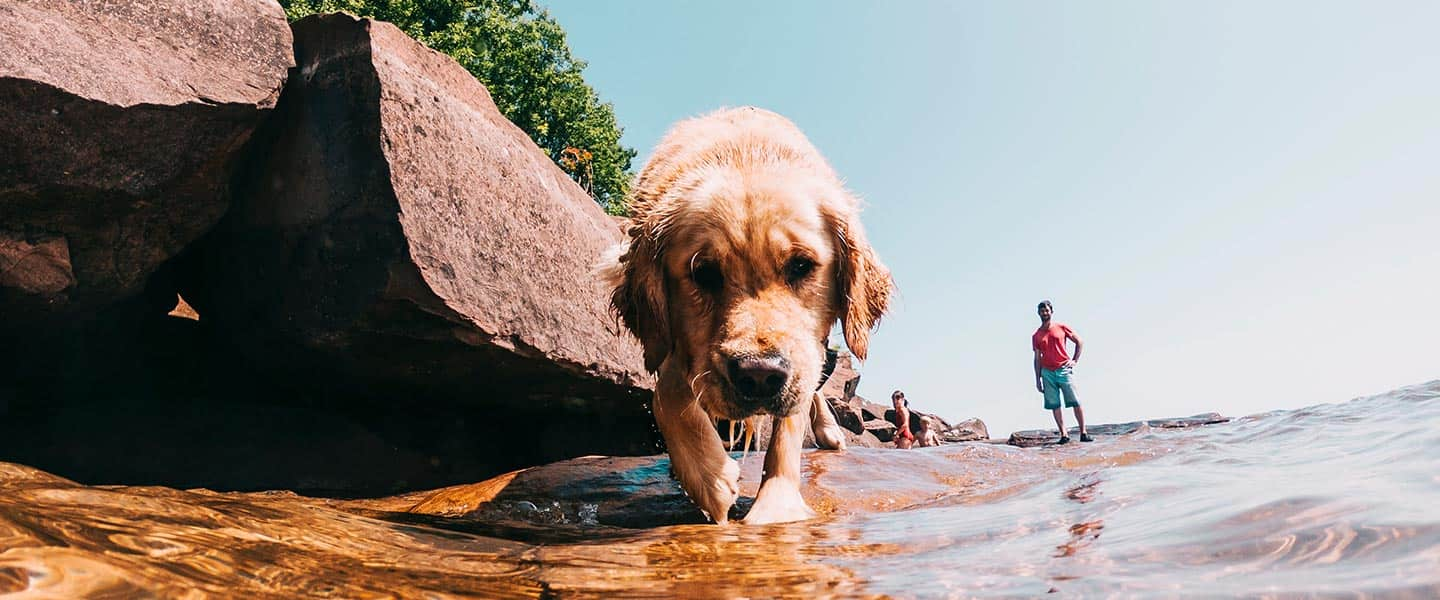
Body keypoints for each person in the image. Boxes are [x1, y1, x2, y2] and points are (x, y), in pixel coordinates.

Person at [1032, 300, 1092, 444]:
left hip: (1064, 369)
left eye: (1046, 310)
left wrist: (1075, 360)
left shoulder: (1061, 327)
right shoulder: (1037, 335)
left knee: (1075, 401)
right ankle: (1064, 435)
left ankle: (1083, 432)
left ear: (1051, 311)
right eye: (1042, 311)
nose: (1044, 313)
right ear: (1038, 313)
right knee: (1054, 404)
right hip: (1047, 372)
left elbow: (1079, 341)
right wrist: (1037, 379)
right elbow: (1037, 358)